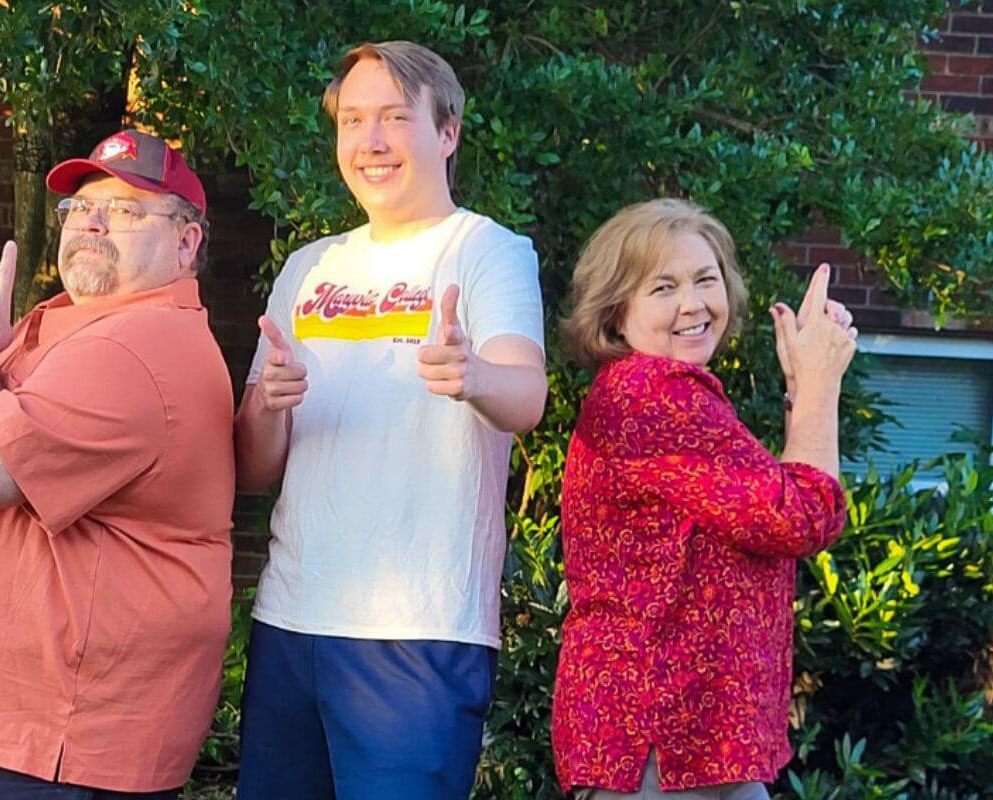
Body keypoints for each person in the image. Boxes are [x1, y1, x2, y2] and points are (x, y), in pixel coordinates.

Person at [0, 130, 235, 799]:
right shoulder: (65, 325)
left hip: (58, 743)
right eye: (79, 210)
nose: (91, 223)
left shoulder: (138, 347)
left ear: (187, 244)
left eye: (124, 210)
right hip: (17, 726)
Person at [233, 41, 548, 800]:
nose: (369, 142)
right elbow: (252, 465)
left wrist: (474, 376)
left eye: (394, 119)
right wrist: (268, 404)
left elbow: (527, 396)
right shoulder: (307, 267)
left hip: (419, 630)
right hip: (293, 617)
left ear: (447, 133)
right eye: (352, 120)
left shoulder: (485, 251)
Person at [552, 198, 856, 799]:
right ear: (617, 313)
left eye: (705, 279)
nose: (692, 304)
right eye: (663, 287)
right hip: (657, 743)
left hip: (696, 743)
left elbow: (778, 506)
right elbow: (802, 516)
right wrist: (821, 386)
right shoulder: (651, 395)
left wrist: (805, 389)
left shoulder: (669, 397)